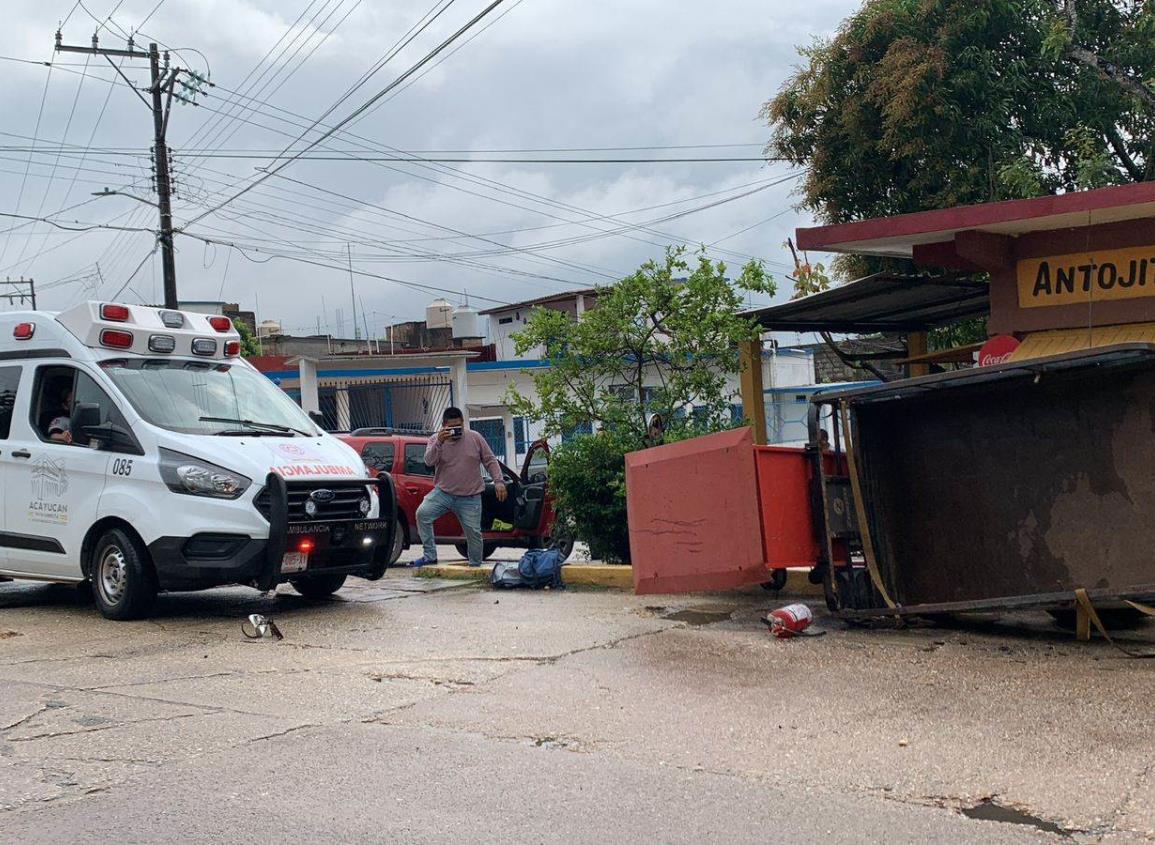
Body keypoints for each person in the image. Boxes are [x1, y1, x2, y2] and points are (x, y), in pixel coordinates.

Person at [411, 407, 506, 568]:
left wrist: (499, 481)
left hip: (470, 496)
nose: (456, 431)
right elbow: (428, 461)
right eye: (451, 428)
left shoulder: (475, 438)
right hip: (444, 492)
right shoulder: (435, 439)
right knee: (422, 514)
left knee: (474, 533)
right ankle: (430, 555)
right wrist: (440, 442)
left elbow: (490, 460)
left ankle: (475, 564)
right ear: (444, 426)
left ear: (463, 423)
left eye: (458, 427)